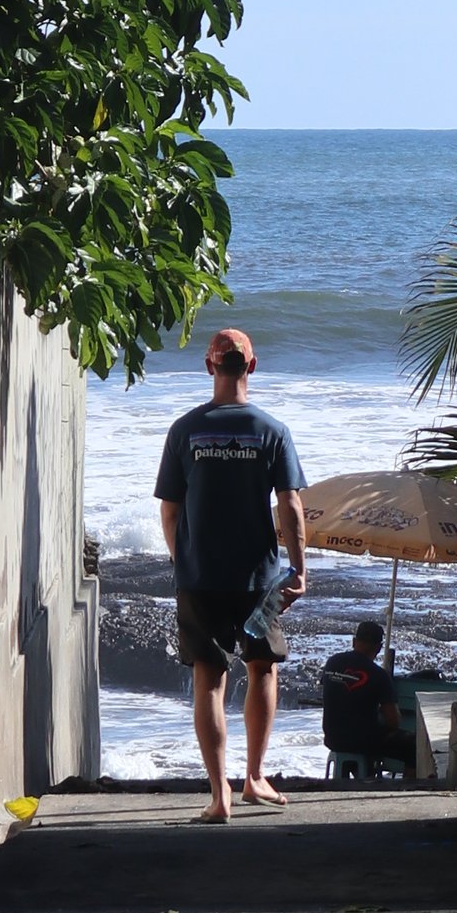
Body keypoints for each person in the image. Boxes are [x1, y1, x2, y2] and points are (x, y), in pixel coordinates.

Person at [154, 326, 307, 821]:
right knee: (263, 668)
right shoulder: (271, 431)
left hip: (199, 579)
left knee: (209, 679)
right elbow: (290, 505)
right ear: (253, 366)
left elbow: (170, 512)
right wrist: (297, 569)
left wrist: (184, 561)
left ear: (209, 366)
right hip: (258, 581)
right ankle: (255, 777)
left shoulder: (185, 430)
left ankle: (219, 795)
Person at [321, 621, 408, 779]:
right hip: (363, 741)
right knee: (413, 748)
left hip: (332, 738)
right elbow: (393, 722)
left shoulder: (333, 662)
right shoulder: (379, 675)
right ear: (379, 648)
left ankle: (351, 778)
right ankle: (410, 793)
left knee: (359, 740)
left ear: (354, 641)